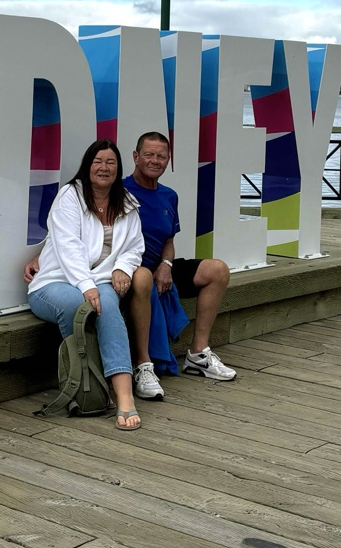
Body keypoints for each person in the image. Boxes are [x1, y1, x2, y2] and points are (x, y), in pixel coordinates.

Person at [26, 139, 145, 430]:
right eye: (98, 162)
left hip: (101, 280)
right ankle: (88, 385)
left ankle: (124, 395)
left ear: (119, 168)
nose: (104, 168)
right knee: (81, 307)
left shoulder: (127, 202)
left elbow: (134, 247)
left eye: (111, 162)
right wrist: (85, 285)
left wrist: (122, 268)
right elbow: (69, 247)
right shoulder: (70, 196)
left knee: (109, 308)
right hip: (55, 282)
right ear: (87, 166)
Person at [123, 131, 235, 401]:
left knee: (217, 270)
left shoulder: (169, 196)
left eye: (161, 156)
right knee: (143, 277)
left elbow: (168, 239)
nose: (154, 160)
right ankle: (143, 365)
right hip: (131, 273)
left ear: (168, 160)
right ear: (136, 157)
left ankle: (197, 355)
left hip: (160, 268)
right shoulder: (120, 191)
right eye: (148, 154)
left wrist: (166, 264)